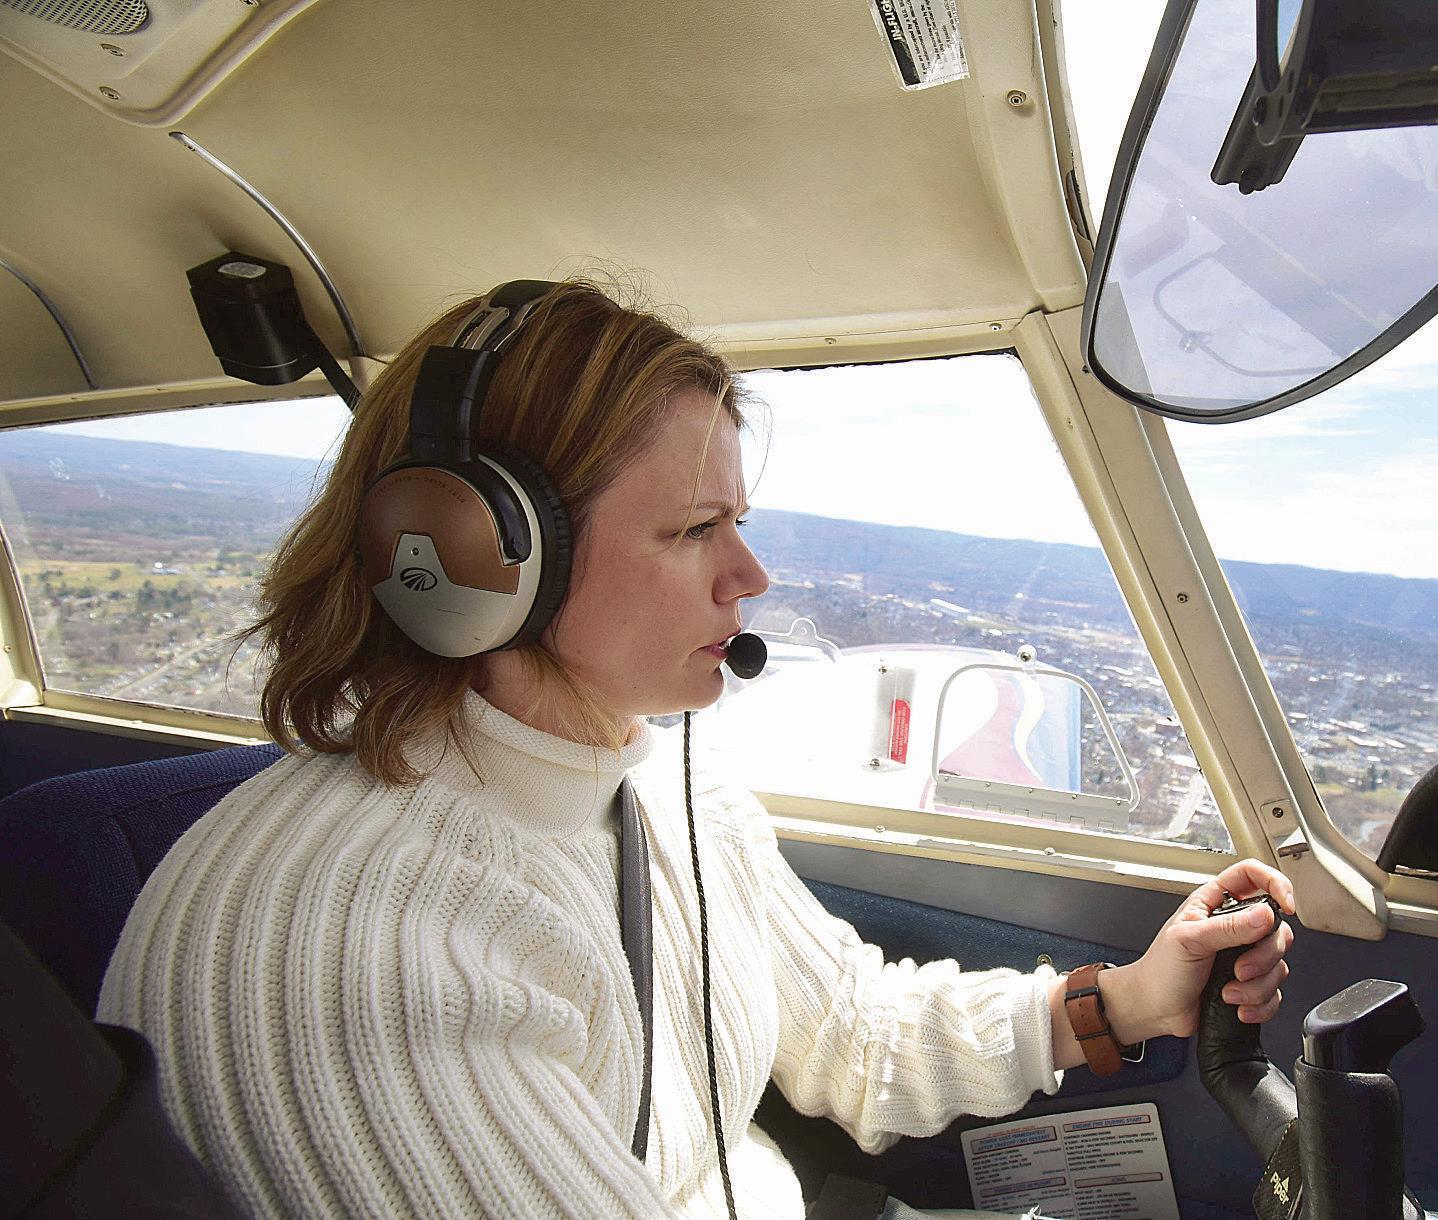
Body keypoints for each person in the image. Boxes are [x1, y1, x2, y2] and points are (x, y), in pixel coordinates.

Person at [98, 280, 1297, 1219]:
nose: (749, 575)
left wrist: (1128, 997)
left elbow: (851, 1032)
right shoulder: (356, 944)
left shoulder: (667, 782)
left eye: (739, 521)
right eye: (693, 528)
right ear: (478, 554)